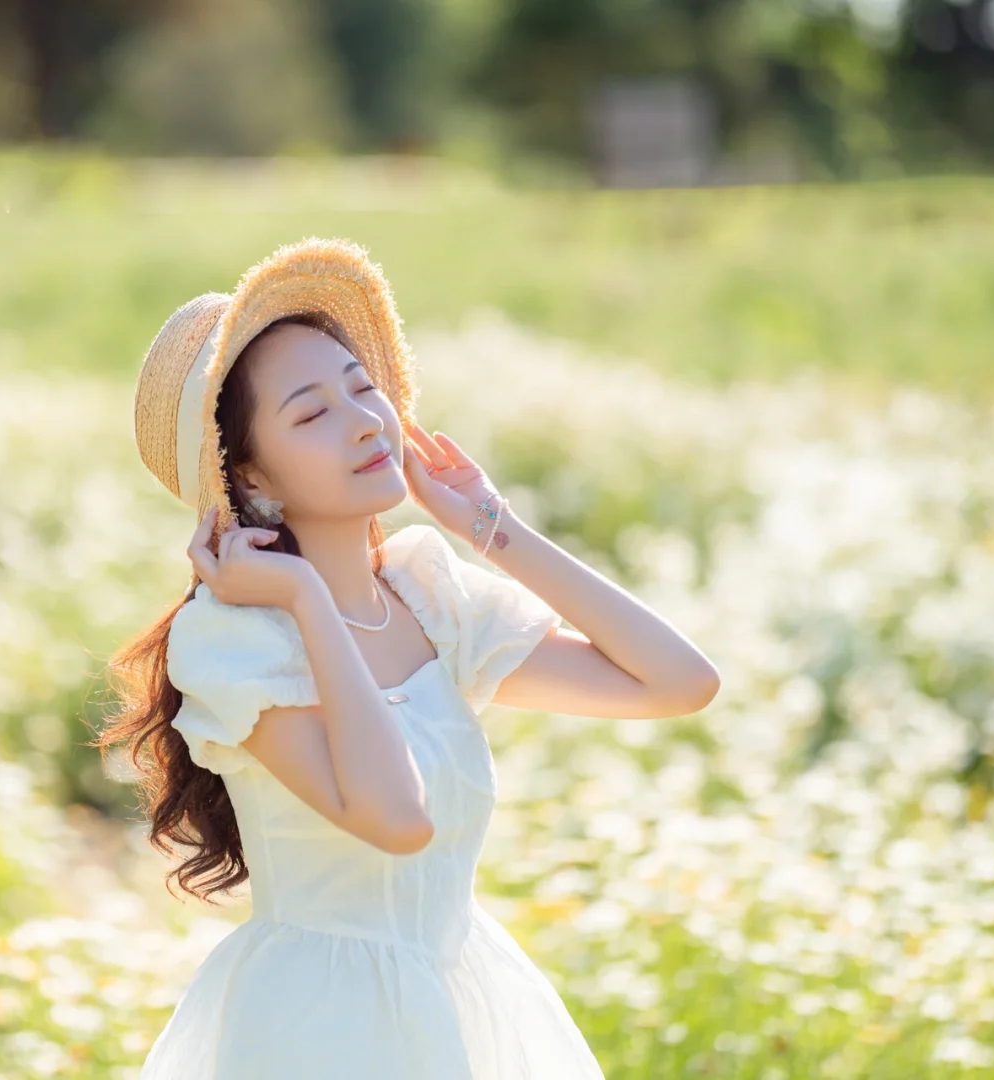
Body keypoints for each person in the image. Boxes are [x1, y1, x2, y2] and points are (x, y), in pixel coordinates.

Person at [96, 236, 721, 1079]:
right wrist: (307, 598)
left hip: (462, 995)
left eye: (362, 389)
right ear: (250, 474)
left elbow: (680, 683)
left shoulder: (429, 596)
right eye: (312, 413)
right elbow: (397, 819)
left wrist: (489, 526)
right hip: (319, 1027)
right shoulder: (235, 640)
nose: (363, 421)